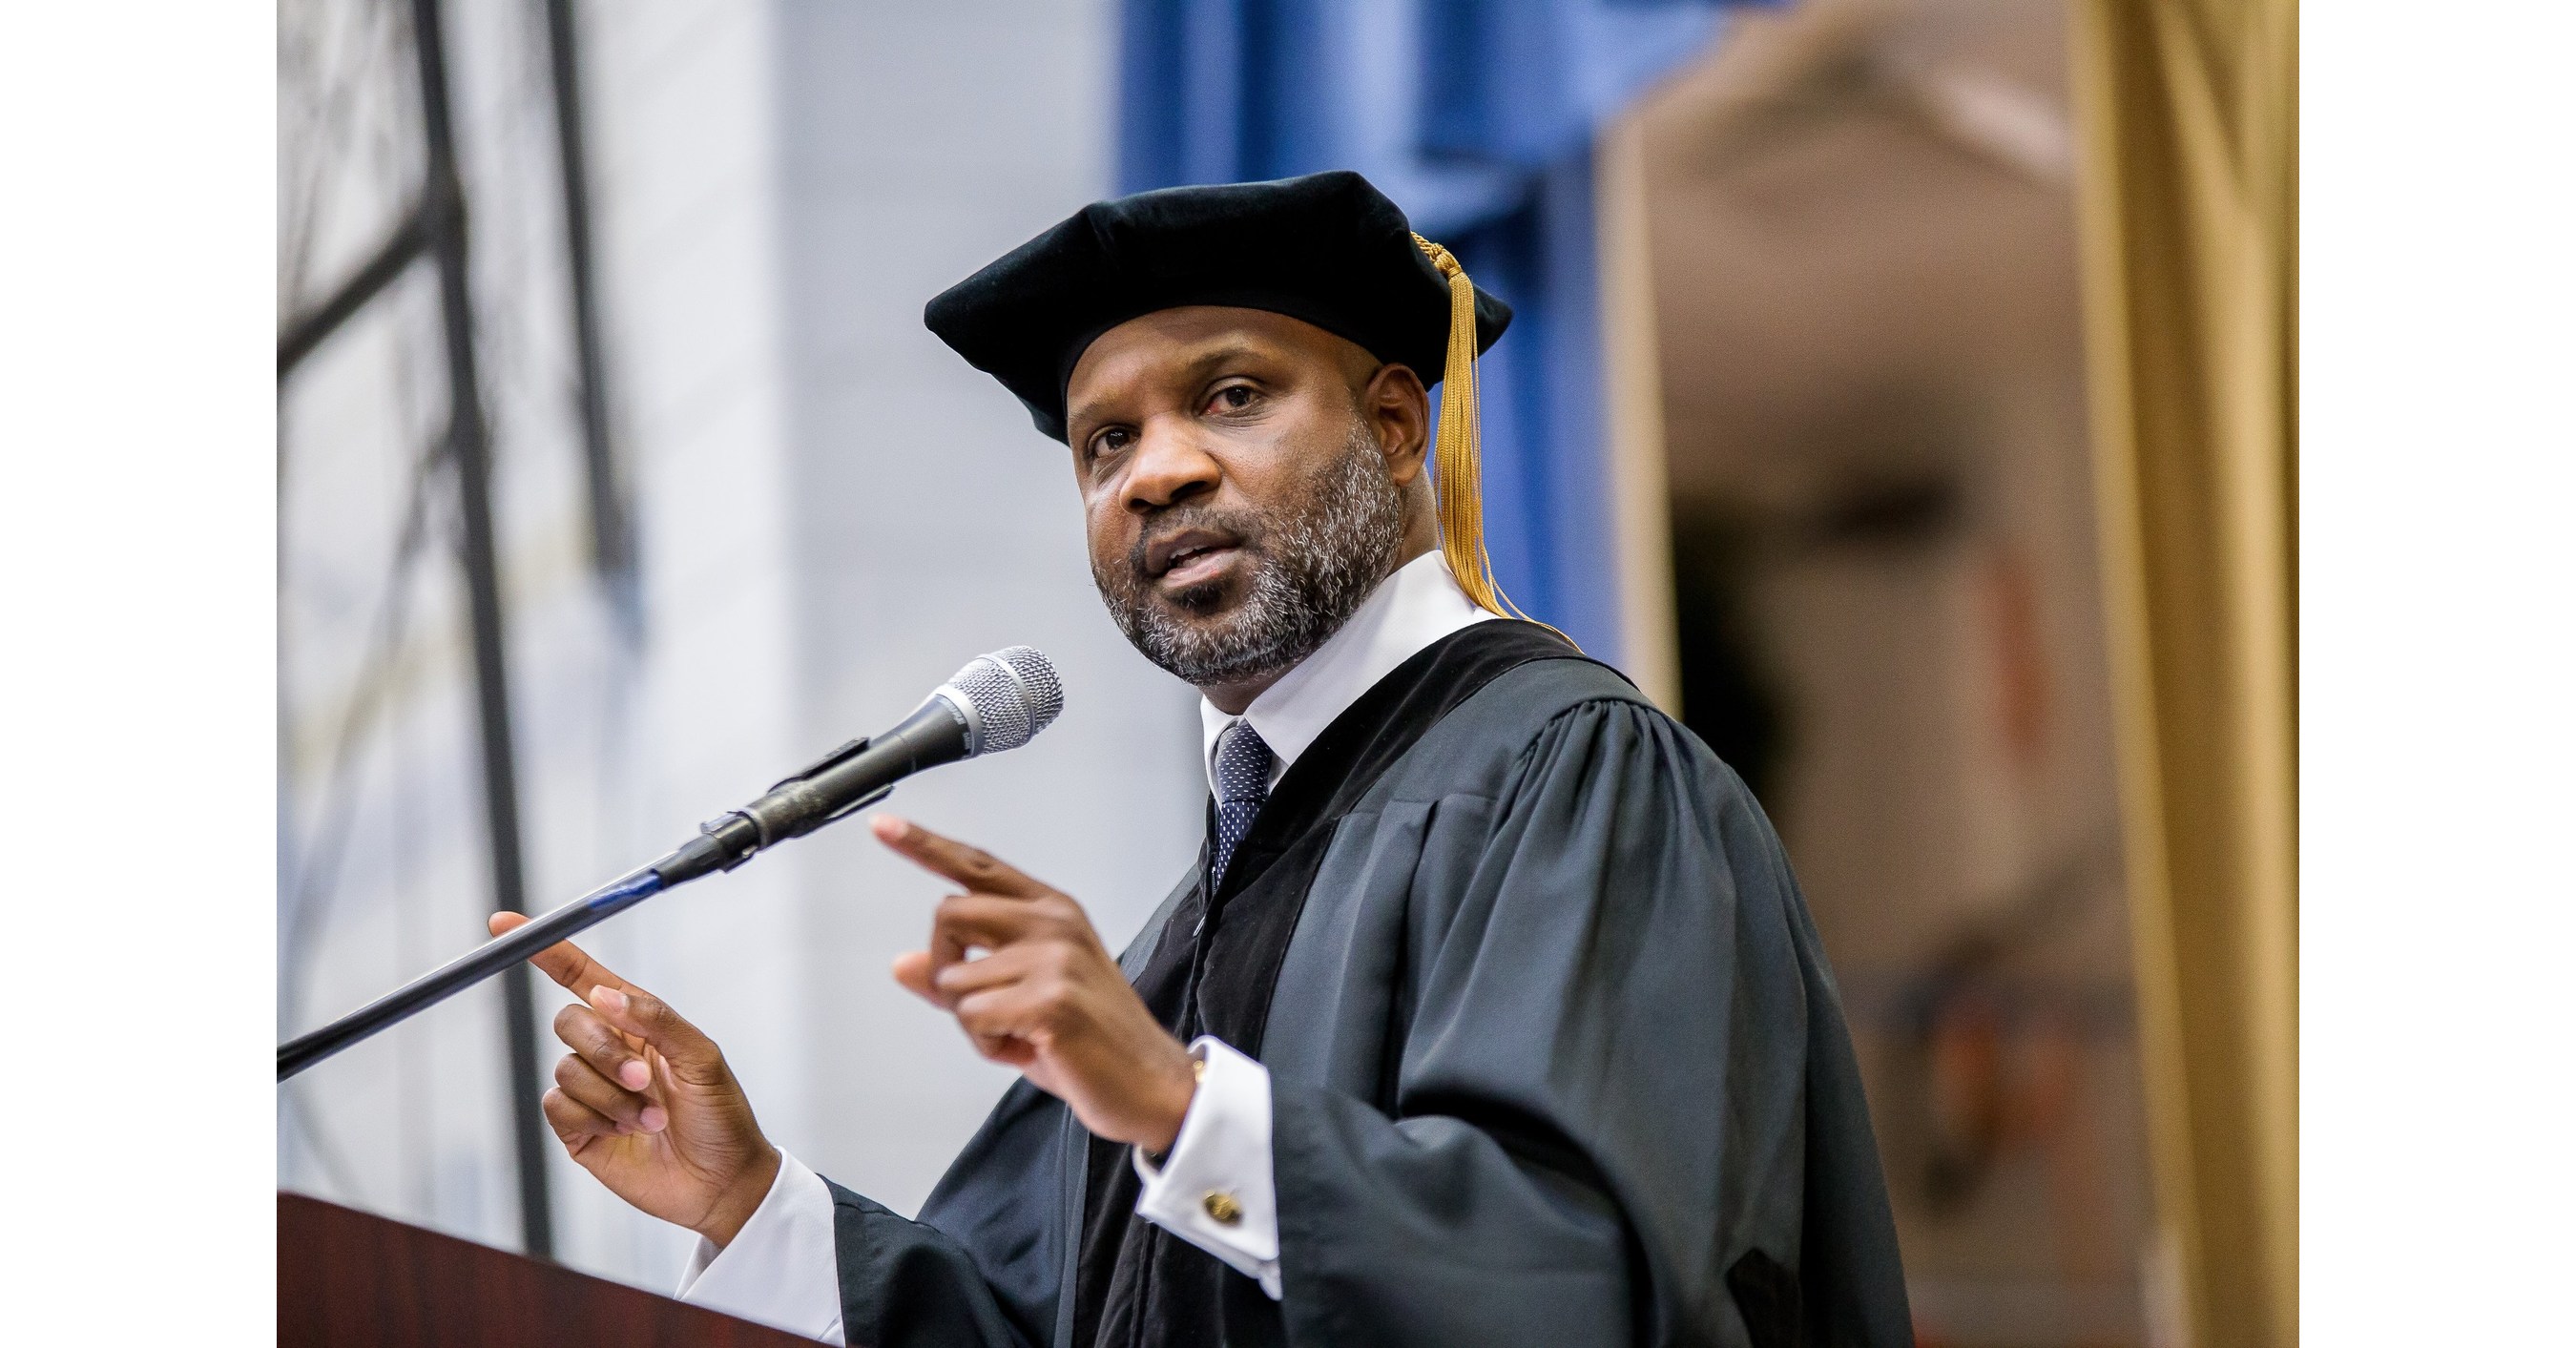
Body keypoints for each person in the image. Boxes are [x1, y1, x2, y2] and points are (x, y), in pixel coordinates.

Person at [492, 170, 1911, 1348]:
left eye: (1230, 396)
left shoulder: (1569, 776)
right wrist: (748, 1204)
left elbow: (1594, 1284)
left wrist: (1180, 1106)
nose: (1155, 470)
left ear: (1398, 423)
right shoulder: (1188, 936)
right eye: (1106, 441)